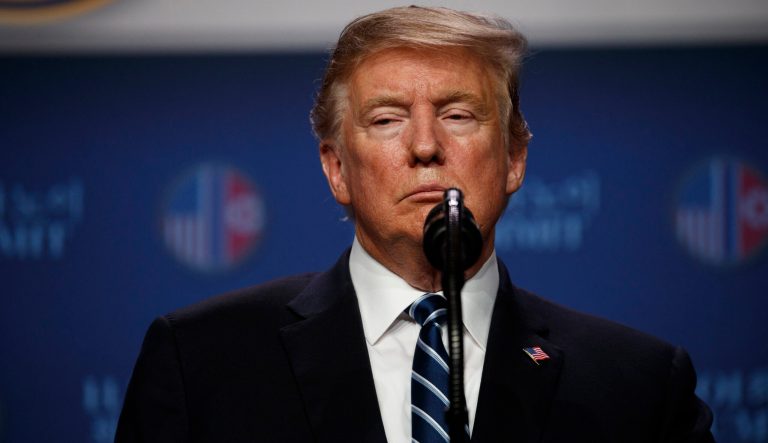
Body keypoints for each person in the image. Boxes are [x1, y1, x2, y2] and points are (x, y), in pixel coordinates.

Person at [115, 6, 714, 443]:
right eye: (386, 119)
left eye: (457, 114)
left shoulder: (637, 385)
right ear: (336, 168)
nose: (425, 145)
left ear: (514, 158)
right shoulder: (201, 363)